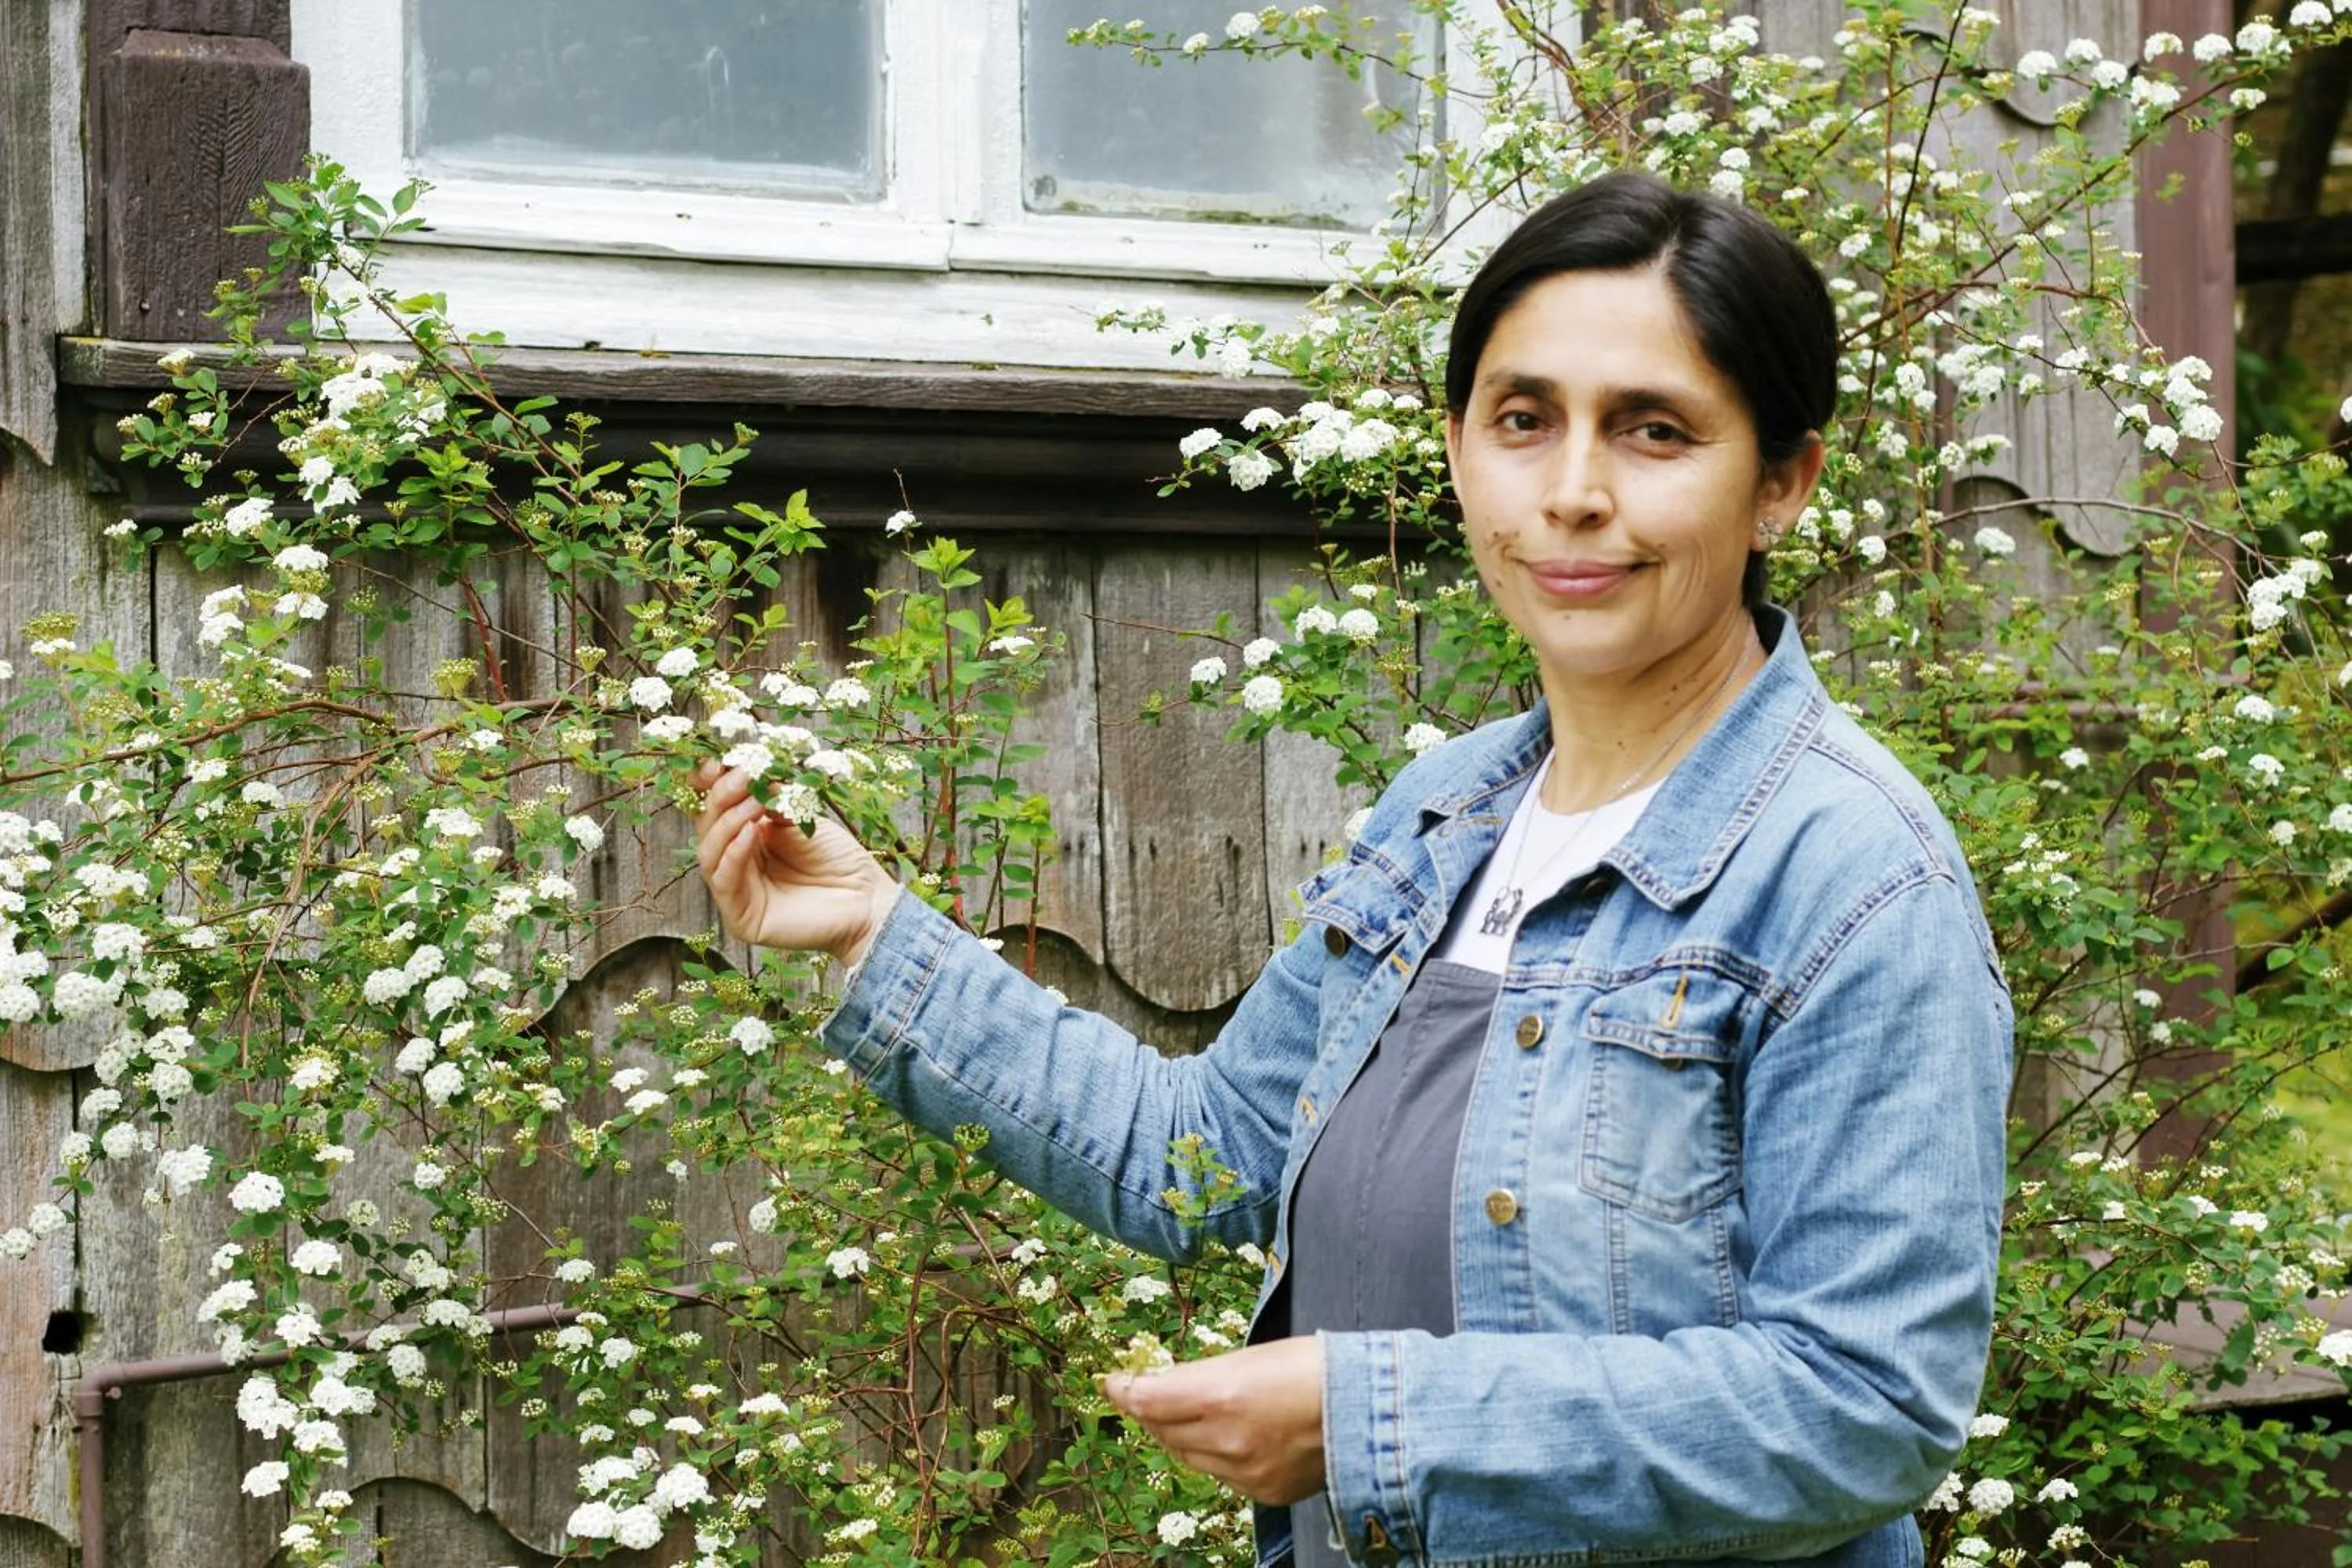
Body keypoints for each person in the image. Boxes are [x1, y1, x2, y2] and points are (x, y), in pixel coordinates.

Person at [692, 170, 2013, 1567]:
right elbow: (1198, 1157)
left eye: (1654, 431)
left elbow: (1864, 1407)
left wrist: (1373, 1419)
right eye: (1523, 420)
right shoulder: (1447, 816)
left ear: (1781, 484)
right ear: (1459, 453)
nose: (1572, 493)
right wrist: (874, 938)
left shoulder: (1855, 879)